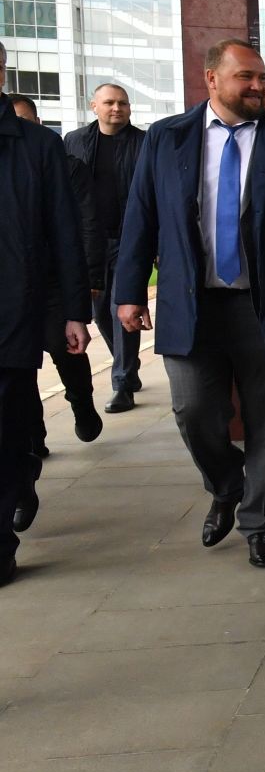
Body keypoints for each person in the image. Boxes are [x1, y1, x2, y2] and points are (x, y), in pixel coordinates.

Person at [114, 40, 265, 568]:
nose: (258, 86)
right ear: (211, 79)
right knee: (193, 411)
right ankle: (225, 483)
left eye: (261, 76)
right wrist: (128, 292)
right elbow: (140, 219)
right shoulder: (166, 139)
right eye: (246, 76)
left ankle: (260, 522)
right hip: (191, 305)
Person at [0, 57, 91, 580]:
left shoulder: (35, 146)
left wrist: (75, 312)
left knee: (7, 425)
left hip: (13, 310)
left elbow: (64, 231)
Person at [65, 82, 146, 414]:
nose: (117, 108)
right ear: (93, 106)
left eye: (123, 103)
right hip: (90, 242)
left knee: (122, 308)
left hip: (129, 240)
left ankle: (123, 383)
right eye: (110, 103)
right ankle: (126, 364)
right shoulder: (73, 141)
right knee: (98, 312)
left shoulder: (144, 143)